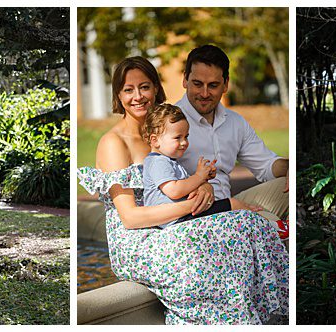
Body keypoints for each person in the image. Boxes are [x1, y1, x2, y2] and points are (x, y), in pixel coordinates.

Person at [77, 56, 288, 324]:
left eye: (145, 87)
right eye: (128, 90)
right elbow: (130, 219)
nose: (138, 96)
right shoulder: (113, 143)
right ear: (118, 95)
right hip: (139, 241)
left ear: (156, 89)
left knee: (246, 224)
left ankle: (262, 314)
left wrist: (206, 190)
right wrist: (192, 206)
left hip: (174, 226)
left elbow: (188, 179)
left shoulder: (169, 132)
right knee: (236, 225)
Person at [170, 45, 289, 220]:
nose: (204, 93)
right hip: (192, 213)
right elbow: (160, 179)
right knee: (269, 225)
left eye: (213, 85)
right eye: (197, 84)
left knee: (290, 185)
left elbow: (265, 165)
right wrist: (196, 184)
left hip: (229, 205)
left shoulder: (235, 122)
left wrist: (289, 168)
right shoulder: (169, 121)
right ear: (185, 80)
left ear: (225, 84)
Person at [139, 103, 222, 228]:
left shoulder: (170, 162)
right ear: (155, 140)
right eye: (178, 137)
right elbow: (174, 191)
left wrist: (204, 177)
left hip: (182, 219)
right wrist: (199, 176)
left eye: (186, 136)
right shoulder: (158, 162)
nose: (184, 142)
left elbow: (187, 187)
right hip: (174, 222)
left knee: (232, 208)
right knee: (233, 205)